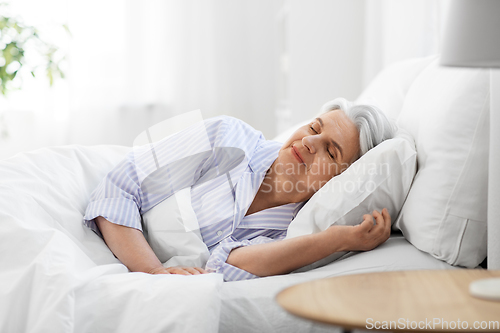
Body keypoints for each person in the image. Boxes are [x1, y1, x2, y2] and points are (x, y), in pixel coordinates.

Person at [83, 97, 395, 281]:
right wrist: (153, 272)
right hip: (96, 244)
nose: (310, 142)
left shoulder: (299, 230)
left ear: (343, 178)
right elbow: (118, 190)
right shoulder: (227, 136)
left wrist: (337, 239)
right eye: (314, 127)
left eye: (330, 151)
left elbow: (227, 266)